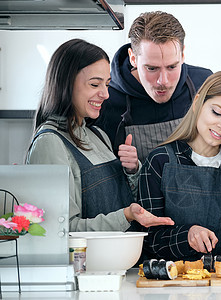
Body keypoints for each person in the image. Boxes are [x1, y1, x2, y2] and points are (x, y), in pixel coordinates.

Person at [26, 39, 174, 232]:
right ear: (66, 84)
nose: (105, 94)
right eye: (95, 84)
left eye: (107, 84)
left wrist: (133, 171)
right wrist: (126, 216)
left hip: (119, 259)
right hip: (87, 262)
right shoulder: (49, 143)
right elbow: (59, 231)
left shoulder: (98, 135)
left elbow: (124, 199)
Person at [137, 71, 221, 261]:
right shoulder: (160, 161)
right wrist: (187, 235)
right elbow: (149, 239)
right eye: (217, 113)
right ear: (197, 102)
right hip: (169, 284)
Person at [95, 11, 213, 162]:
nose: (163, 81)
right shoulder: (105, 99)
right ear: (133, 58)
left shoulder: (204, 84)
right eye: (152, 68)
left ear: (182, 55)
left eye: (171, 67)